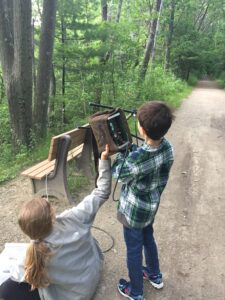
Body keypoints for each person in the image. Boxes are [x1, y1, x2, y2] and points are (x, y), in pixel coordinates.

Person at [0, 145, 111, 300]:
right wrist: (104, 160)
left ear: (27, 232)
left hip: (74, 296)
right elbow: (102, 191)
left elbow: (18, 275)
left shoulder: (36, 254)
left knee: (6, 290)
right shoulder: (75, 216)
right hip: (93, 273)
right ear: (52, 214)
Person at [112, 101, 174, 300]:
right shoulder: (168, 148)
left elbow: (118, 174)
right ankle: (155, 275)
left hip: (134, 213)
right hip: (151, 207)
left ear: (142, 129)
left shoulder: (136, 160)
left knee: (134, 250)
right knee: (148, 238)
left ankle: (136, 291)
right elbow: (149, 160)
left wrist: (121, 155)